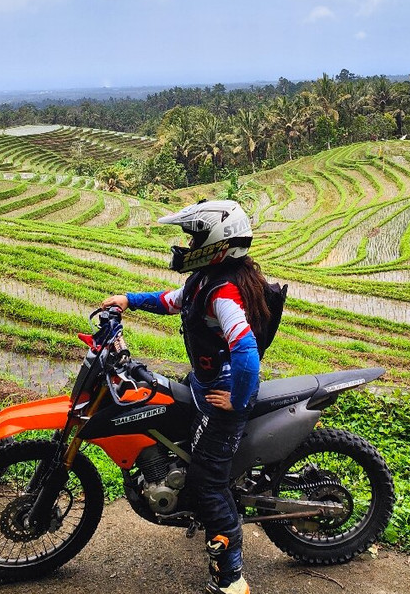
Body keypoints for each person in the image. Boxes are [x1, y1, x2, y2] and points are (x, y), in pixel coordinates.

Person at [102, 199, 271, 594]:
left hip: (222, 393)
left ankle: (231, 578)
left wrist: (237, 400)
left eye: (195, 238)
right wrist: (128, 300)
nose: (188, 245)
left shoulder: (224, 293)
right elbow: (170, 301)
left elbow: (246, 352)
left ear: (217, 244)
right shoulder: (204, 280)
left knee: (207, 483)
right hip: (205, 382)